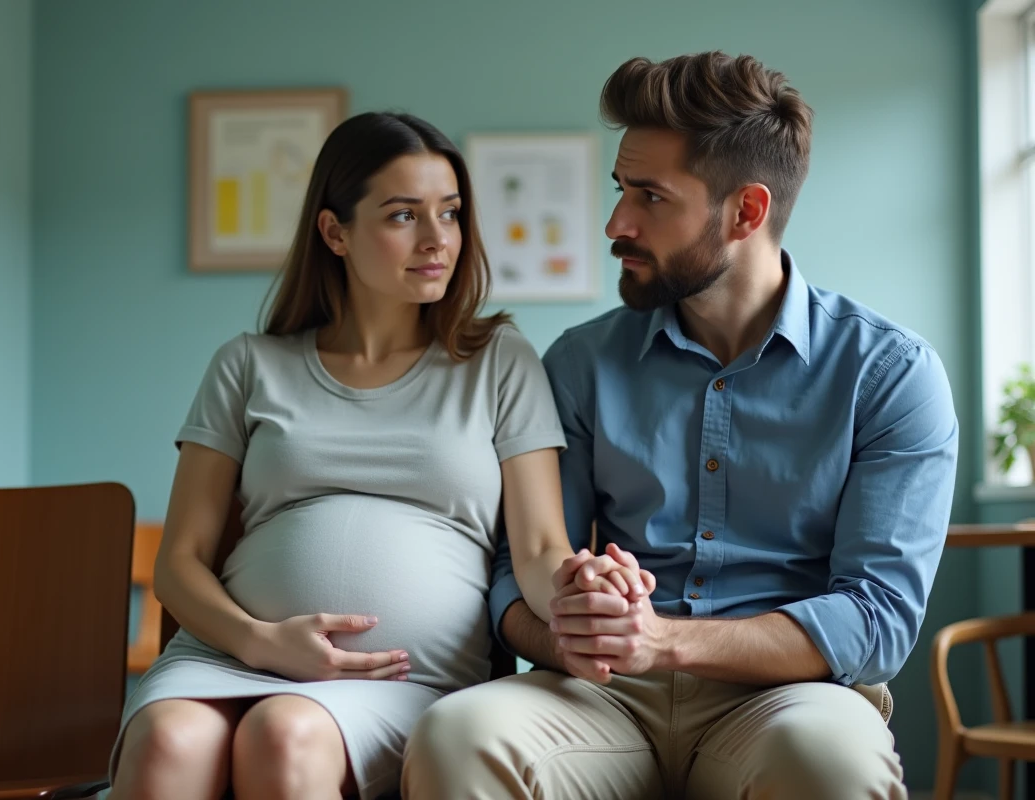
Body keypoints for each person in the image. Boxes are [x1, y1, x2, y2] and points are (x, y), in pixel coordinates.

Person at [402, 51, 959, 800]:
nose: (616, 223)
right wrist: (571, 619)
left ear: (746, 212)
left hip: (784, 698)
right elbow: (515, 575)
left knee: (833, 762)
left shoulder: (890, 375)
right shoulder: (581, 363)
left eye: (650, 197)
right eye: (620, 189)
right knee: (457, 735)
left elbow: (879, 619)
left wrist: (663, 640)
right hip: (602, 693)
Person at [106, 111, 632, 800]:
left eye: (449, 213)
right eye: (402, 215)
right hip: (230, 654)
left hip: (405, 674)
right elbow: (179, 564)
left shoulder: (499, 361)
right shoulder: (247, 365)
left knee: (284, 736)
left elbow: (536, 548)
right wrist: (261, 641)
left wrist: (578, 590)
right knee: (167, 743)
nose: (437, 238)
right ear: (335, 232)